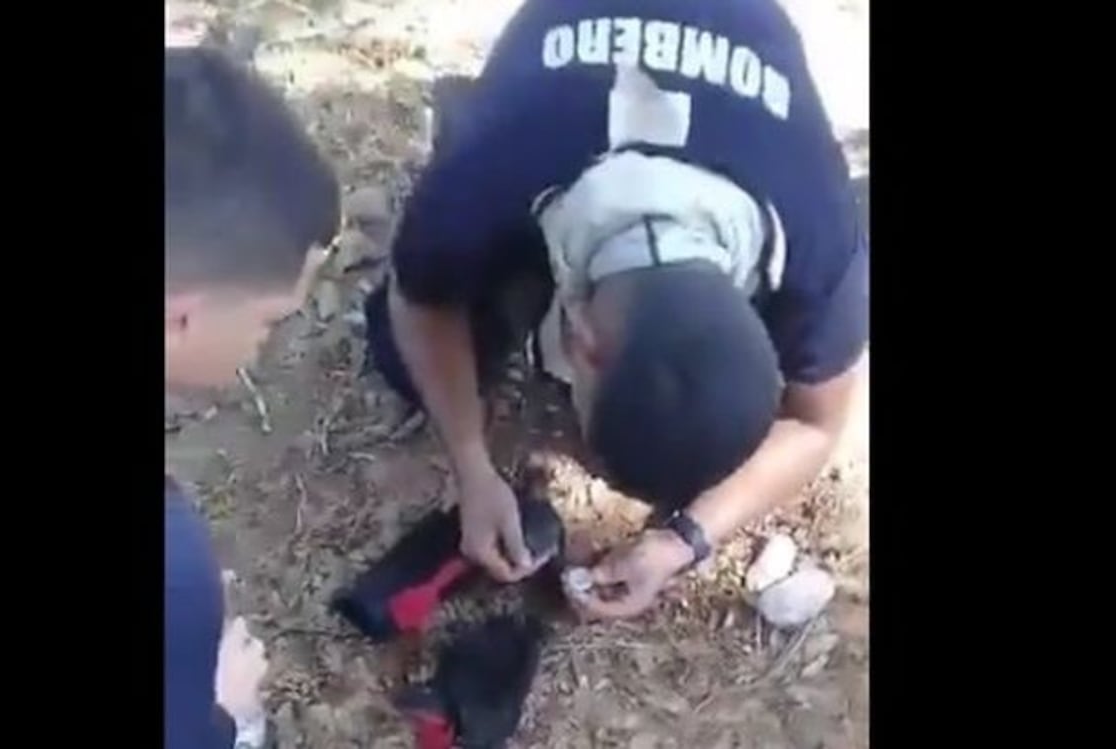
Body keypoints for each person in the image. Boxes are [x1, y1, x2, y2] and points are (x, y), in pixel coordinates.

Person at [365, 0, 867, 620]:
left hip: (736, 51)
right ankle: (467, 125)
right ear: (578, 340)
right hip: (557, 84)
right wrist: (471, 464)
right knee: (402, 351)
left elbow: (817, 424)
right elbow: (418, 301)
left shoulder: (817, 237)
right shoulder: (484, 174)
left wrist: (681, 542)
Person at [165, 43, 340, 748]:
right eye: (269, 320)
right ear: (180, 316)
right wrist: (220, 713)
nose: (266, 345)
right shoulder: (174, 575)